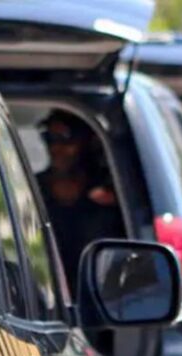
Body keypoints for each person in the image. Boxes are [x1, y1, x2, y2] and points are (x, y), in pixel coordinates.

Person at [38, 112, 125, 284]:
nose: (56, 148)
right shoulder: (33, 189)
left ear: (88, 141)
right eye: (49, 138)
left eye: (66, 138)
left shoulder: (114, 192)